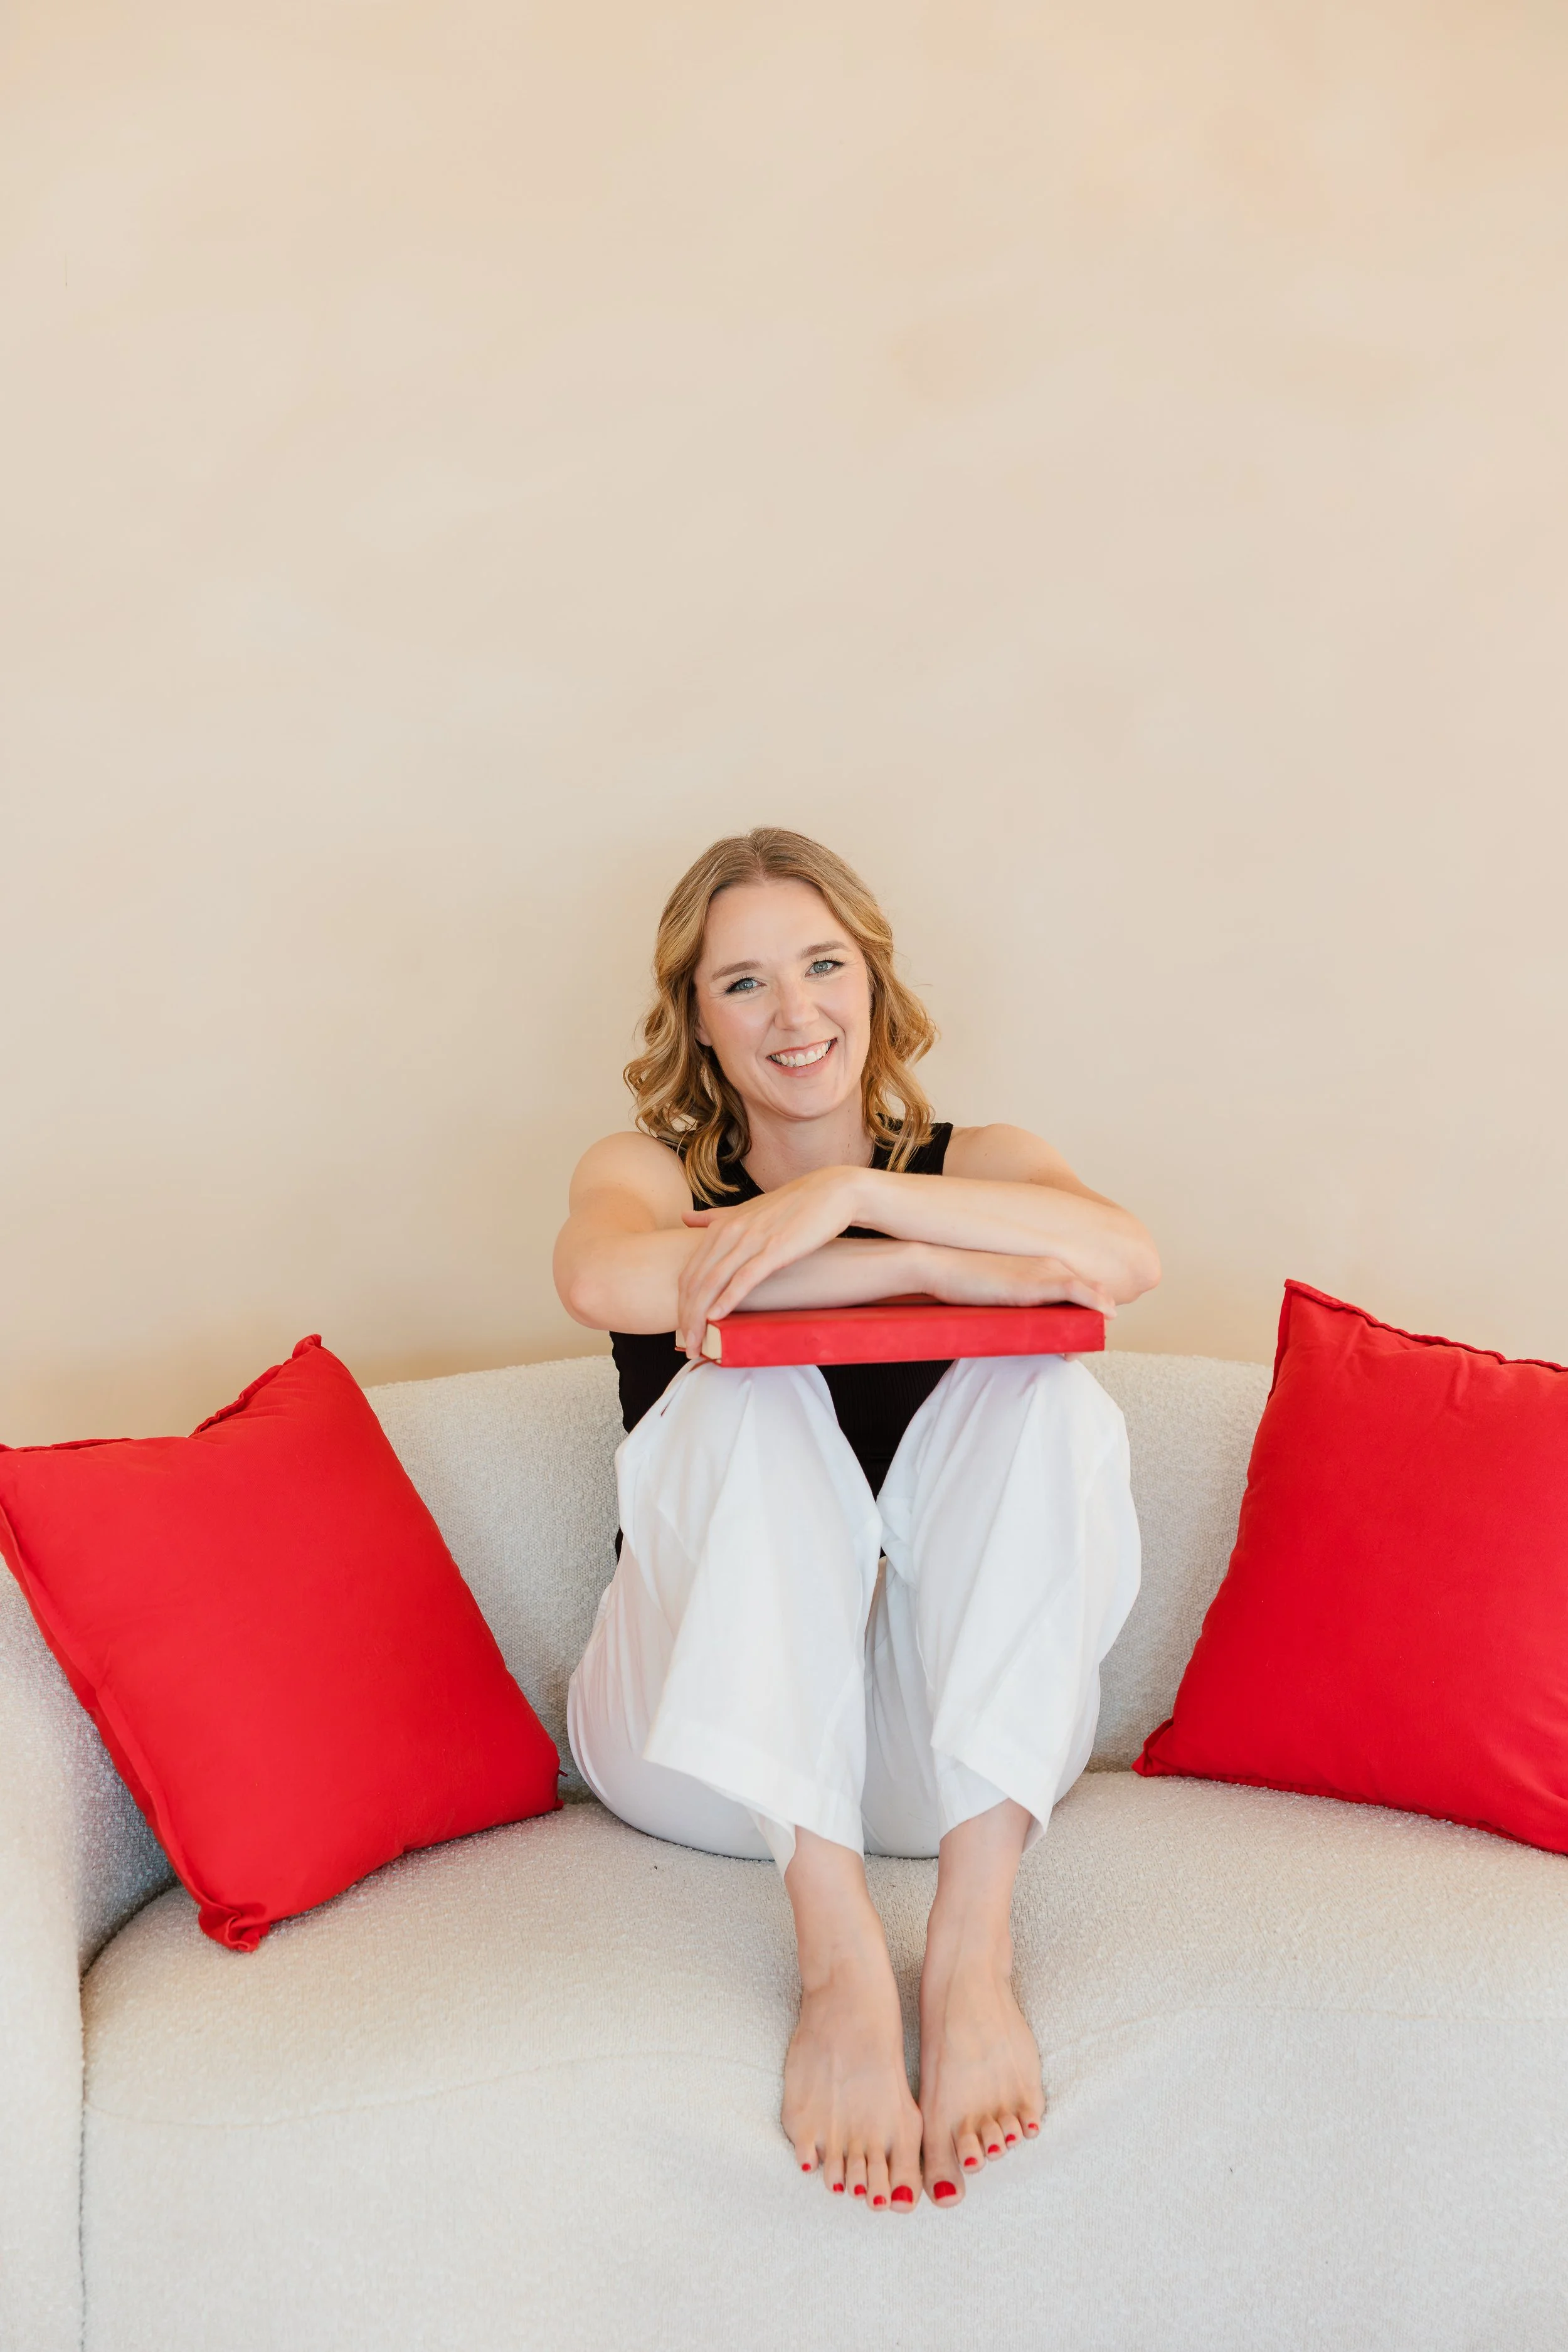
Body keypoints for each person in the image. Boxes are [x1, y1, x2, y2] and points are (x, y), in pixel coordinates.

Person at [554, 827, 1160, 2213]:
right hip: (698, 1749)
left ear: (871, 982)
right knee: (746, 1403)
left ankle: (966, 1949)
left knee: (1049, 1399)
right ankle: (836, 1961)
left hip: (945, 1759)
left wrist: (854, 1193)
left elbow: (1122, 1259)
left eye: (822, 965)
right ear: (697, 1024)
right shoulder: (649, 1174)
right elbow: (602, 1277)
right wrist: (957, 1267)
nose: (795, 1012)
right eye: (745, 984)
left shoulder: (978, 1156)